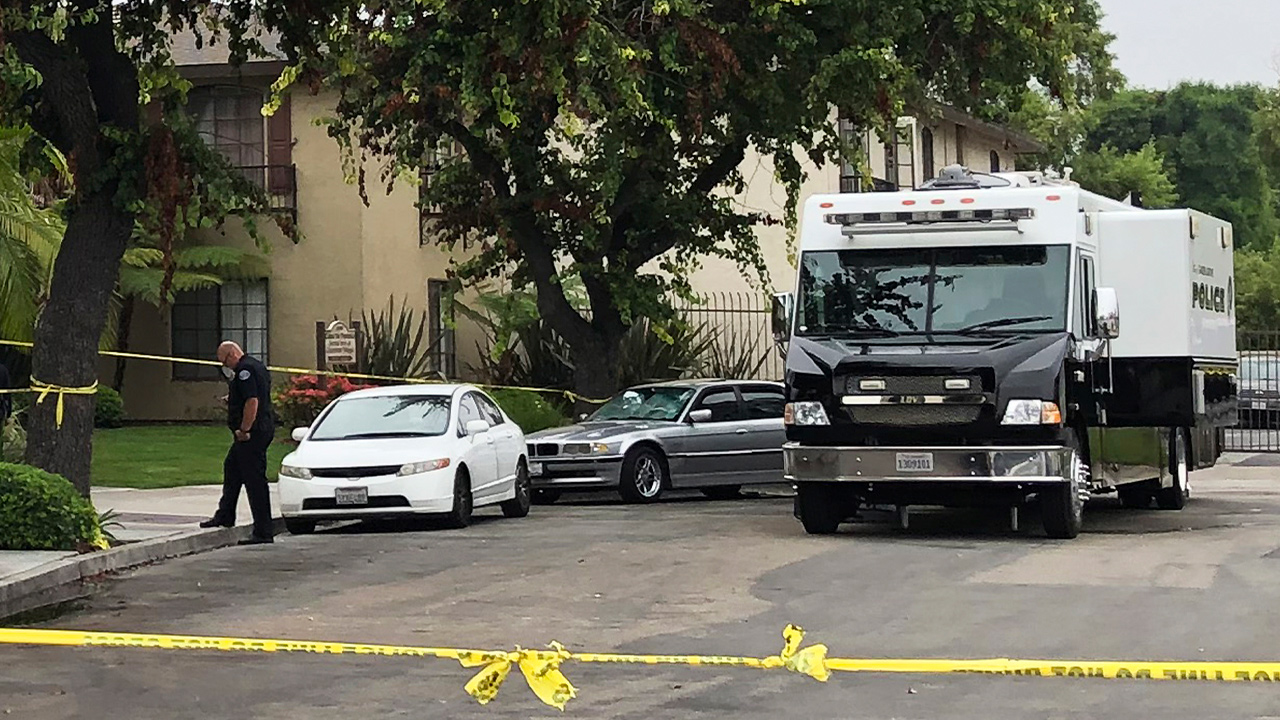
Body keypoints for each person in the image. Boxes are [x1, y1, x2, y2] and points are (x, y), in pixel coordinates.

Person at [200, 341, 276, 545]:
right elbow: (251, 395)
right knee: (232, 467)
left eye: (225, 362)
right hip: (261, 428)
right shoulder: (256, 365)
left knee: (254, 480)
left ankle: (263, 531)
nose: (226, 366)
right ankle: (225, 514)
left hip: (253, 433)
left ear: (233, 353)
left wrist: (244, 429)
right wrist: (232, 398)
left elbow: (253, 401)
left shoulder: (245, 371)